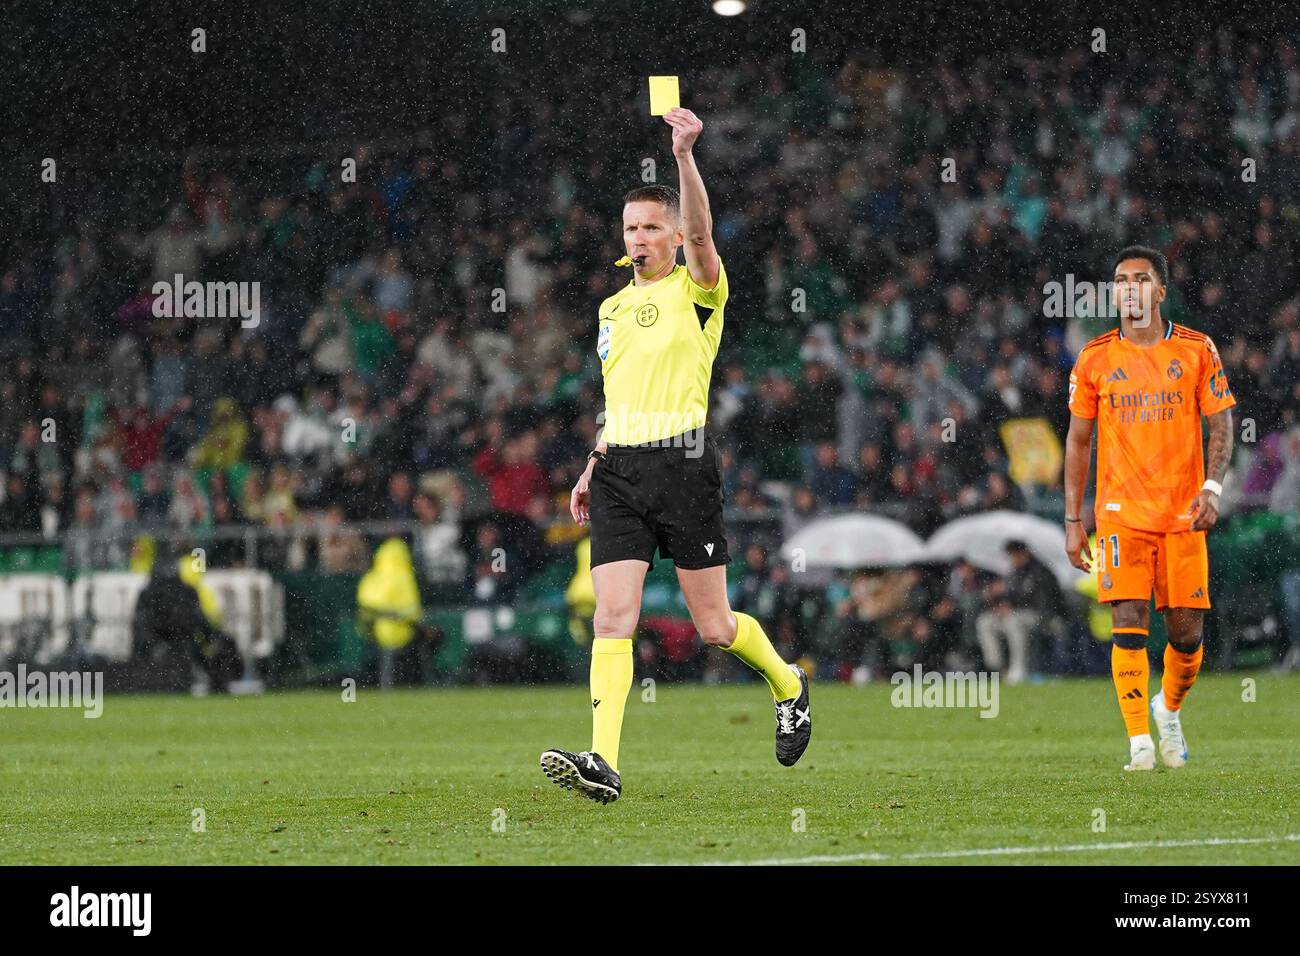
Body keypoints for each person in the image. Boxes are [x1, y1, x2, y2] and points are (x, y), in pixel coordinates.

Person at [541, 108, 811, 805]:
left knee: (715, 627)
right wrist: (591, 461)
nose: (640, 237)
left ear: (672, 235)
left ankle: (788, 682)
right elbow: (619, 393)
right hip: (620, 471)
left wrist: (686, 156)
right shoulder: (610, 309)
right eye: (632, 227)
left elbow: (703, 233)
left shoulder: (699, 292)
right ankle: (604, 761)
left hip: (685, 466)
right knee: (612, 618)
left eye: (652, 226)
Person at [1064, 245, 1236, 772]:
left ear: (1160, 291)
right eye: (1120, 280)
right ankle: (1139, 741)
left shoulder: (1196, 349)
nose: (1129, 288)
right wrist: (1074, 521)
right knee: (1128, 622)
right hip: (1120, 515)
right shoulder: (1095, 358)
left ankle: (1169, 707)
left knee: (1186, 637)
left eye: (1140, 279)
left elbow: (1222, 423)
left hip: (1183, 515)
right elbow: (1077, 441)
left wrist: (1212, 488)